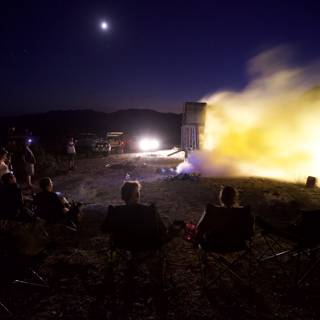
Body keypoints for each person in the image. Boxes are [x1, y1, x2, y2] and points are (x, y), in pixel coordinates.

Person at [102, 181, 170, 249]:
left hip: (122, 244)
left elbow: (105, 229)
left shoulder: (115, 211)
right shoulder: (149, 211)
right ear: (137, 195)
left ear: (123, 196)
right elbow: (163, 230)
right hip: (147, 245)